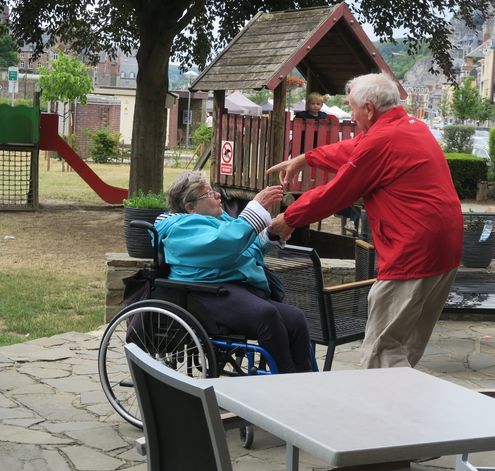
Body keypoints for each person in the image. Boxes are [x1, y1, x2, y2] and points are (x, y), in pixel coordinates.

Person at [268, 73, 463, 369]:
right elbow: (357, 149)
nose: (352, 115)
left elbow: (338, 191)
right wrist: (307, 158)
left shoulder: (382, 140)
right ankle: (403, 411)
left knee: (381, 353)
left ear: (369, 109)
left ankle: (378, 413)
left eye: (352, 107)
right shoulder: (411, 127)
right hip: (443, 252)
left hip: (412, 253)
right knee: (405, 348)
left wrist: (289, 218)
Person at [154, 171, 312, 373]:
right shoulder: (181, 228)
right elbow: (227, 243)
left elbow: (245, 249)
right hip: (205, 293)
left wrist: (271, 234)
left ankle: (305, 381)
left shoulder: (217, 220)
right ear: (190, 207)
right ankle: (285, 382)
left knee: (296, 318)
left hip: (232, 289)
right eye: (209, 194)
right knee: (267, 314)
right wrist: (255, 207)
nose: (218, 195)